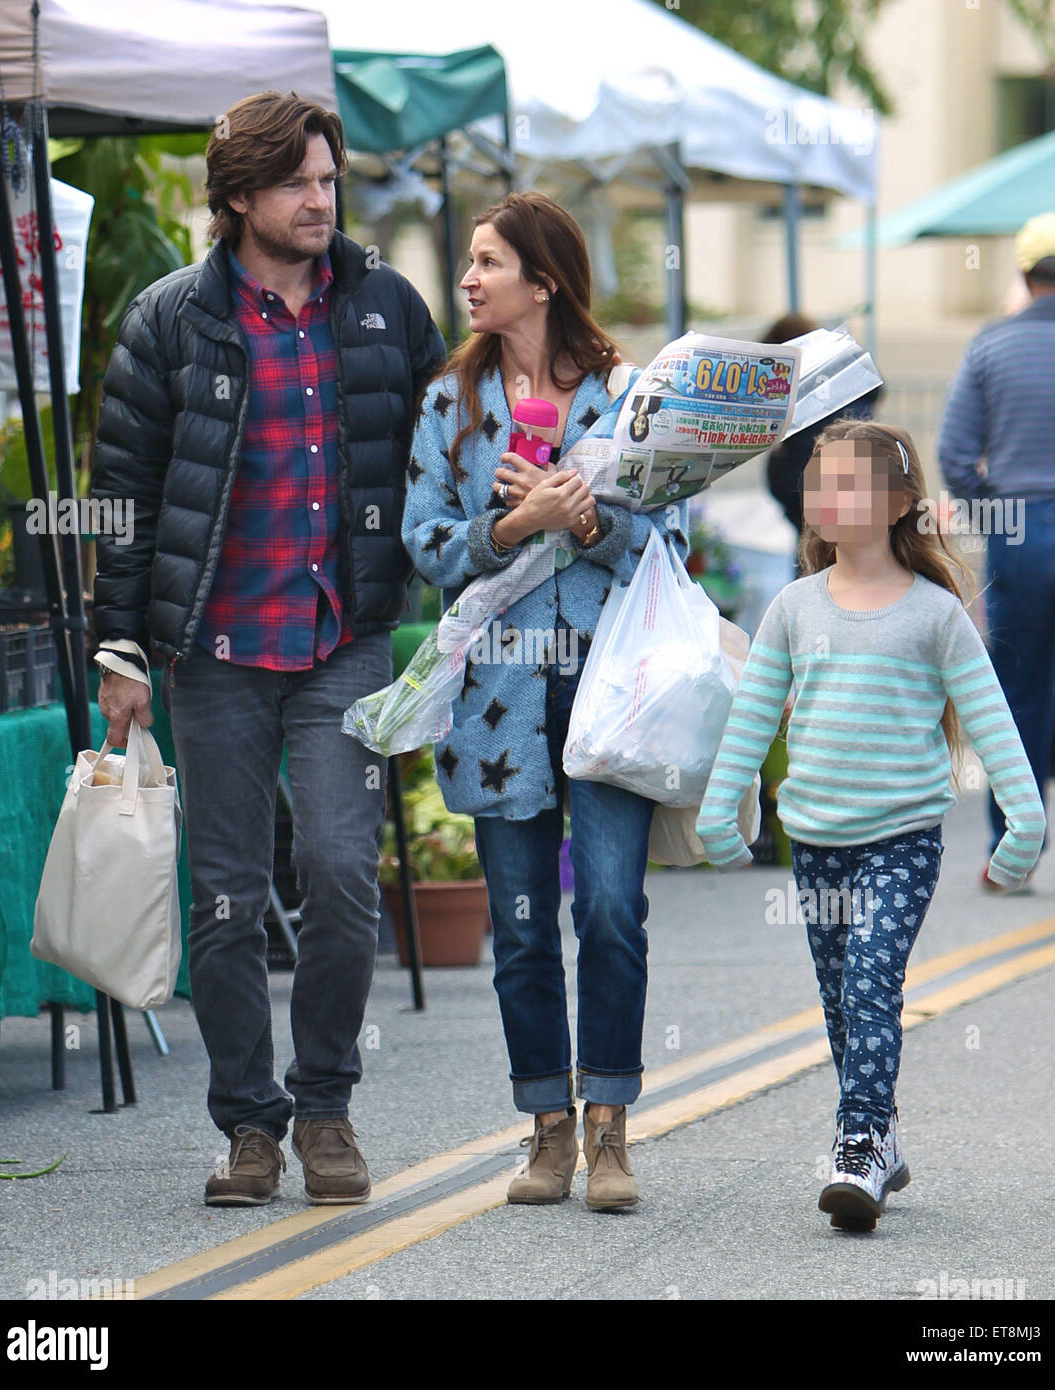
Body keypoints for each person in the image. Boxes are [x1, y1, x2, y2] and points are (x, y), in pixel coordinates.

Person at [91, 91, 446, 1207]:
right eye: (296, 181)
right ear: (238, 195)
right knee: (228, 898)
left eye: (329, 179)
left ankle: (327, 1105)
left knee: (343, 876)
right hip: (218, 648)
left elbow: (447, 441)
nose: (319, 199)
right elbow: (125, 493)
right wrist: (121, 645)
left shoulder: (386, 304)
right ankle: (251, 1126)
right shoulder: (167, 321)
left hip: (343, 635)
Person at [402, 191, 689, 1211]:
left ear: (545, 278)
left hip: (614, 693)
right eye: (469, 262)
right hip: (497, 707)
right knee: (522, 925)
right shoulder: (450, 402)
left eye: (487, 262)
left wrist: (593, 520)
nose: (468, 279)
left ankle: (611, 1124)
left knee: (611, 908)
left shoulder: (630, 396)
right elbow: (423, 542)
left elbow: (675, 544)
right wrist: (516, 526)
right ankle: (547, 1127)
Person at [695, 419, 1044, 1230]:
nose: (827, 497)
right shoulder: (791, 607)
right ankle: (881, 1129)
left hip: (903, 838)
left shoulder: (935, 615)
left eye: (847, 484)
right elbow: (753, 718)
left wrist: (1020, 821)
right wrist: (723, 808)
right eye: (820, 483)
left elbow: (990, 719)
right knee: (841, 1004)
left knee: (870, 983)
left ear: (897, 504)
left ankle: (857, 1144)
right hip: (814, 841)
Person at [938, 211, 1055, 898]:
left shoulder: (990, 347)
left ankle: (1013, 852)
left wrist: (993, 507)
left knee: (1017, 697)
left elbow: (953, 454)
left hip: (1018, 528)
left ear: (1025, 276)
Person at [761, 312, 881, 564]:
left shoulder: (803, 394)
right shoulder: (850, 381)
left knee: (814, 568)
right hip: (854, 494)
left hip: (811, 497)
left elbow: (794, 474)